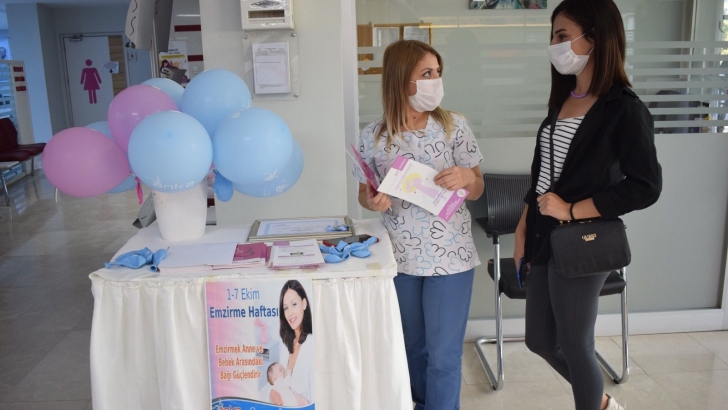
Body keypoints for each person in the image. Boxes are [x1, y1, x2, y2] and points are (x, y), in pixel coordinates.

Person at [514, 1, 662, 410]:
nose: (555, 45)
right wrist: (523, 229)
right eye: (553, 36)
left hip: (583, 240)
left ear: (594, 38)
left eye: (563, 35)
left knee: (575, 344)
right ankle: (602, 403)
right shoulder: (563, 100)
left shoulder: (624, 109)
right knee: (539, 340)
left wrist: (572, 210)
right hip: (543, 236)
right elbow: (543, 175)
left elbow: (646, 186)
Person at [354, 39, 484, 410]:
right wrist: (373, 200)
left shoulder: (453, 126)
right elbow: (364, 193)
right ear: (401, 78)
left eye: (437, 72)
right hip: (400, 258)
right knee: (413, 350)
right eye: (426, 73)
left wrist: (466, 178)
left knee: (443, 356)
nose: (435, 81)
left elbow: (478, 187)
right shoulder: (374, 136)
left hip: (451, 257)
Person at [275, 280, 314, 404]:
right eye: (285, 308)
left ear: (304, 304)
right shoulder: (285, 345)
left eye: (294, 304)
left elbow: (317, 398)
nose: (290, 313)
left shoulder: (312, 344)